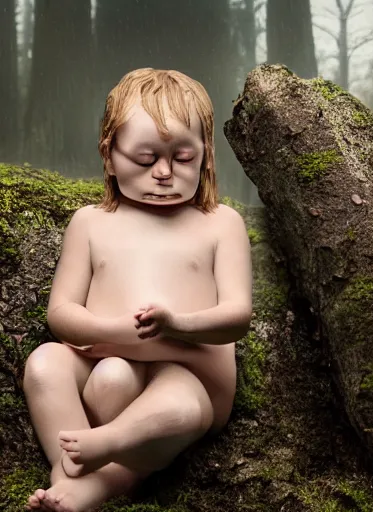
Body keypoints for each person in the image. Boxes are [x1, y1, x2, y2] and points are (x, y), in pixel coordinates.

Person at [23, 68, 253, 512]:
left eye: (183, 158)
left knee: (180, 408)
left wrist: (175, 325)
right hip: (102, 363)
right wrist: (118, 331)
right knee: (45, 364)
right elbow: (62, 312)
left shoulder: (221, 223)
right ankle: (69, 477)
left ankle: (100, 456)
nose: (164, 173)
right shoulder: (90, 222)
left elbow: (237, 315)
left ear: (206, 155)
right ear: (109, 156)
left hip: (188, 374)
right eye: (146, 159)